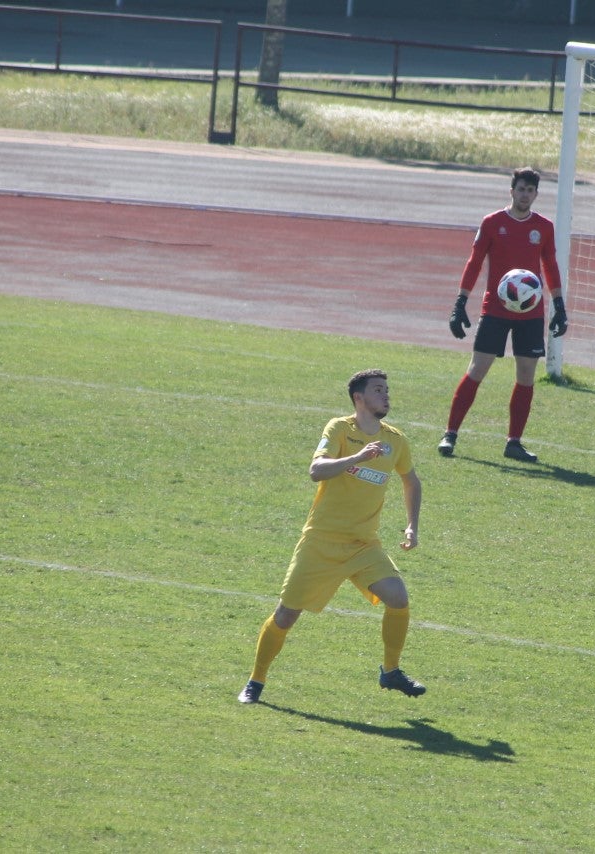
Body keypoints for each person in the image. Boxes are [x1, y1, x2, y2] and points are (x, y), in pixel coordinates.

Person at [239, 369, 424, 704]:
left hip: (363, 545)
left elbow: (411, 481)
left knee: (398, 597)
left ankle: (390, 671)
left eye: (387, 390)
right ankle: (256, 681)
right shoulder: (339, 429)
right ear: (359, 398)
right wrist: (357, 457)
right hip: (321, 542)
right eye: (378, 390)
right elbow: (316, 471)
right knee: (286, 615)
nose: (386, 396)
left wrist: (412, 525)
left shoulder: (395, 440)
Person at [439, 166, 567, 463]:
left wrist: (559, 306)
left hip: (531, 314)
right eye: (520, 189)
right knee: (477, 369)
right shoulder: (493, 222)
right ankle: (450, 434)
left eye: (530, 190)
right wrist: (460, 303)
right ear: (511, 191)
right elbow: (474, 263)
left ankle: (514, 443)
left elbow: (550, 266)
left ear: (536, 194)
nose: (525, 195)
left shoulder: (544, 227)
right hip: (495, 310)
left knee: (526, 376)